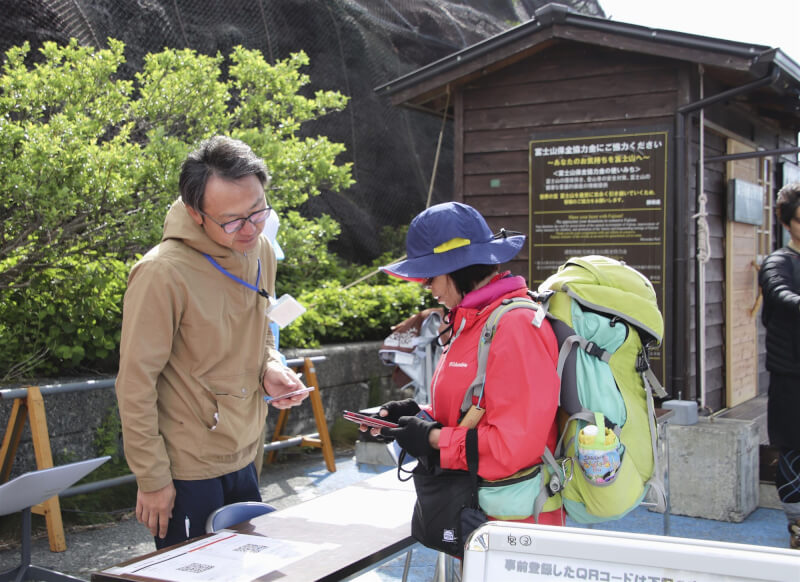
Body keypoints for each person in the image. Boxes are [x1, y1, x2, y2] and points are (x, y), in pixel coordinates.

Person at [116, 135, 308, 549]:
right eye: (232, 220)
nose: (250, 228)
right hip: (187, 466)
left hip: (246, 451)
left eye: (258, 212)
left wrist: (271, 368)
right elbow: (135, 384)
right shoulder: (161, 273)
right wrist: (152, 479)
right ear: (195, 213)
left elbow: (261, 335)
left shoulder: (261, 252)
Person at [368, 201, 564, 527]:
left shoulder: (515, 326)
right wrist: (418, 416)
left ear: (457, 266)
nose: (425, 286)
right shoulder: (472, 320)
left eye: (429, 275)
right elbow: (473, 409)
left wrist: (431, 439)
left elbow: (513, 446)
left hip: (519, 525)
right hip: (477, 511)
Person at [759, 182, 800, 549]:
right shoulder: (777, 262)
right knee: (792, 448)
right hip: (791, 375)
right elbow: (778, 292)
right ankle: (796, 527)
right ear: (787, 222)